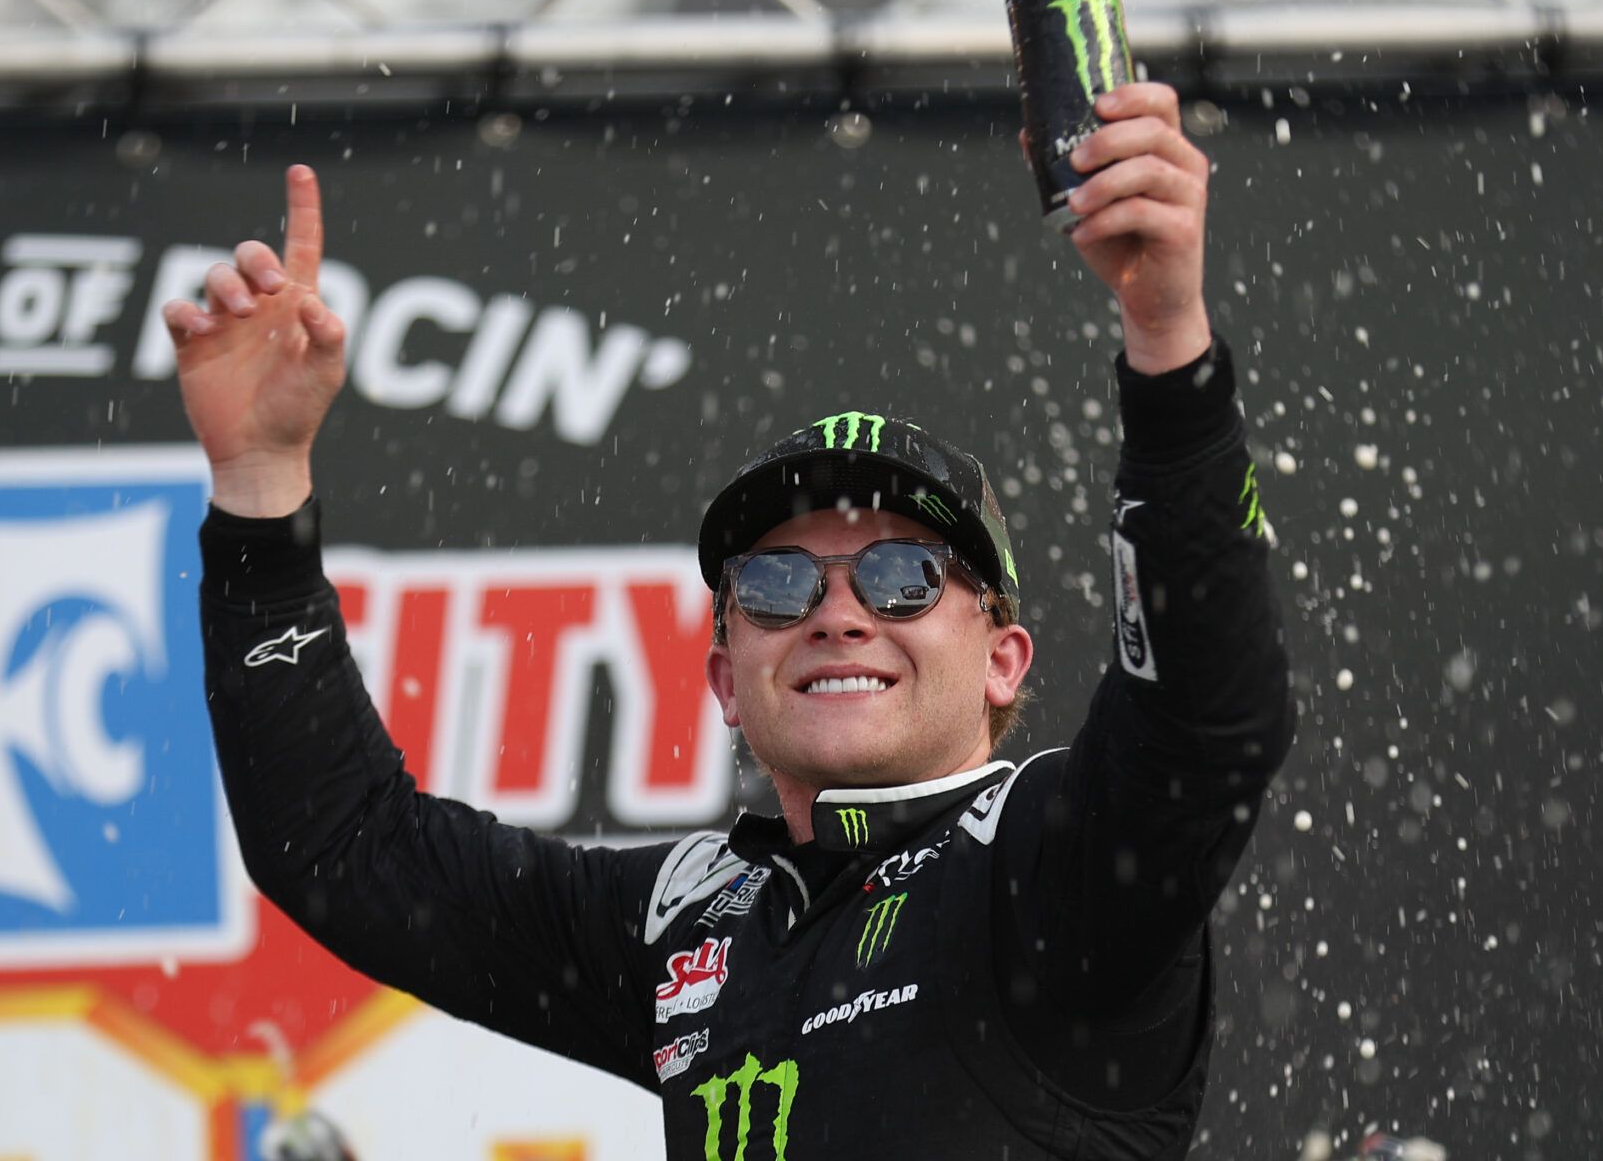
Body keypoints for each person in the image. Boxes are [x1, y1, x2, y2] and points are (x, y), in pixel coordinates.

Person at [165, 83, 1293, 1160]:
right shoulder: (689, 921)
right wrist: (261, 483)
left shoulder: (1055, 863)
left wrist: (1167, 337)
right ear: (723, 678)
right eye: (777, 586)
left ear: (1004, 658)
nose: (839, 613)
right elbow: (345, 847)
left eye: (902, 575)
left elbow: (1211, 713)